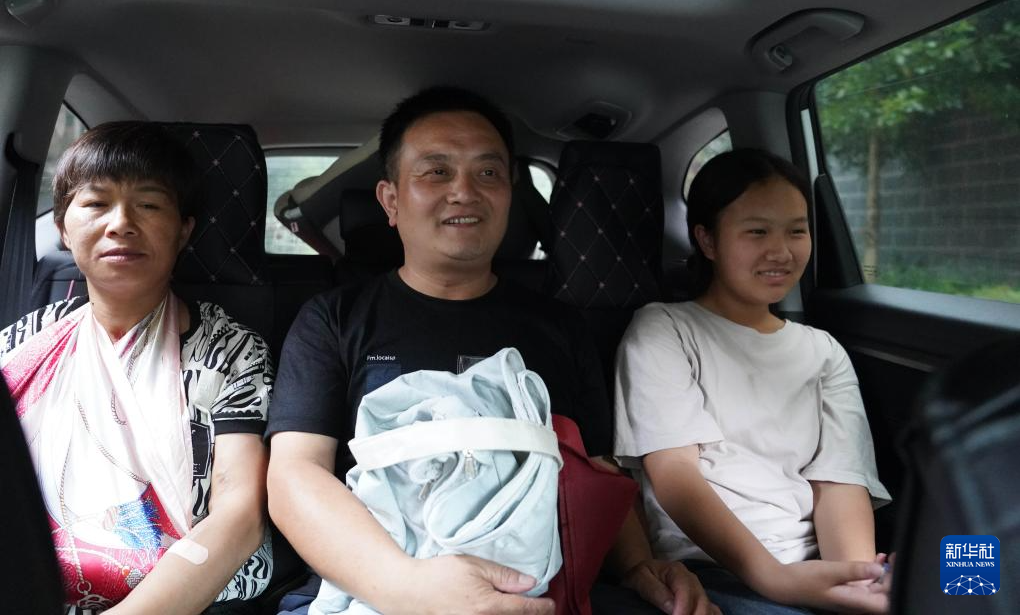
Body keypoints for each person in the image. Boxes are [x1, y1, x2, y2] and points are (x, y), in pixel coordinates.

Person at [266, 86, 717, 615]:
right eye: (436, 171)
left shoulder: (560, 326)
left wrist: (641, 566)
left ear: (508, 194)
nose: (464, 191)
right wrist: (409, 589)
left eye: (487, 172)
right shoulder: (332, 320)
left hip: (535, 588)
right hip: (374, 585)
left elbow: (595, 473)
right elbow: (296, 476)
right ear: (390, 200)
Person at [0, 122, 273, 614]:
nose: (121, 223)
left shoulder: (230, 351)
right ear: (63, 228)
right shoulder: (24, 341)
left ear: (183, 229)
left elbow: (239, 515)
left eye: (148, 205)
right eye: (96, 203)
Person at [614, 148, 893, 614]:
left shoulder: (824, 351)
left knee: (978, 577)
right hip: (714, 569)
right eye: (757, 231)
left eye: (796, 231)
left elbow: (839, 482)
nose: (781, 252)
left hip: (810, 567)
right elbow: (675, 474)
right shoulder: (664, 329)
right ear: (707, 240)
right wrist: (774, 578)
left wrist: (856, 581)